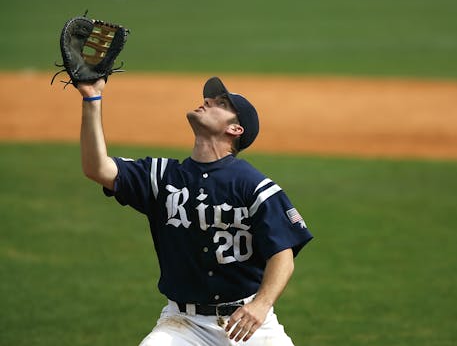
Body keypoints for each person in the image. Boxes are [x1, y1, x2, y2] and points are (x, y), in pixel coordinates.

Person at [76, 76, 313, 345]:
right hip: (184, 325)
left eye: (220, 103)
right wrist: (92, 98)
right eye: (209, 99)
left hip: (250, 323)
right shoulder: (163, 177)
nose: (207, 101)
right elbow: (97, 169)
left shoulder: (253, 185)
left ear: (235, 129)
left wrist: (261, 305)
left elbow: (283, 254)